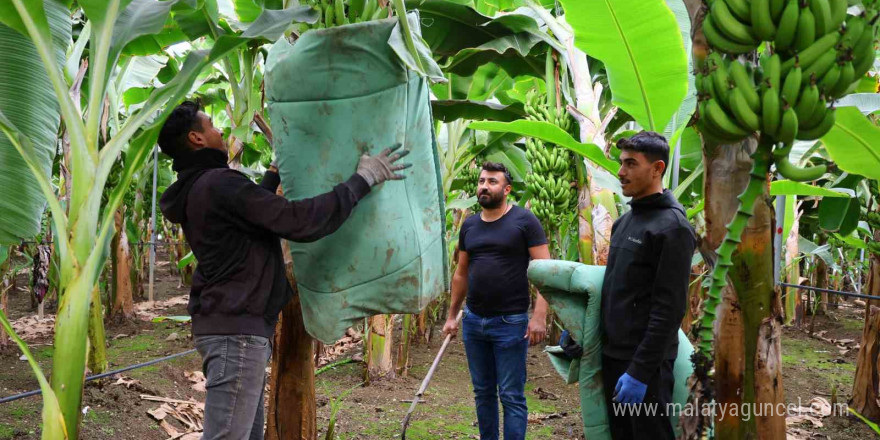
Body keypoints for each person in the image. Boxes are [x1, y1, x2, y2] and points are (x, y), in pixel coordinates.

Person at [158, 101, 409, 440]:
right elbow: (298, 221)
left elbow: (250, 218)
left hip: (230, 324)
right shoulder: (218, 183)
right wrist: (363, 179)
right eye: (212, 125)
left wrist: (274, 172)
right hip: (238, 330)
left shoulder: (200, 187)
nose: (221, 130)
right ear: (196, 138)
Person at [442, 161, 551, 440]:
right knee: (483, 393)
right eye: (481, 181)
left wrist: (539, 317)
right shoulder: (469, 225)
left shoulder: (524, 221)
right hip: (474, 321)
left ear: (507, 188)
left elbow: (547, 273)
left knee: (511, 395)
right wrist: (452, 315)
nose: (484, 186)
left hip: (510, 321)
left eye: (492, 181)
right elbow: (461, 273)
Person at [600, 131, 696, 439]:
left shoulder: (673, 228)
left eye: (630, 164)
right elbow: (616, 287)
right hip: (614, 357)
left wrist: (640, 372)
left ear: (657, 169)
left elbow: (669, 309)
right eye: (621, 163)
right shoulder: (624, 222)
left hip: (645, 367)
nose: (621, 172)